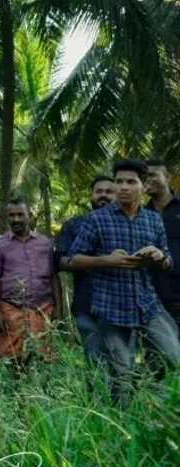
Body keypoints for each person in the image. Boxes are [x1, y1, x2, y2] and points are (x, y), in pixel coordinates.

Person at [67, 159, 179, 397]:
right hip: (110, 307)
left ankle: (144, 385)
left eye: (131, 182)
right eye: (119, 182)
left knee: (172, 356)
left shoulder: (152, 219)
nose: (124, 187)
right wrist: (106, 260)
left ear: (143, 185)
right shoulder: (96, 219)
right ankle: (123, 422)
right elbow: (73, 259)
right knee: (120, 373)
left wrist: (158, 256)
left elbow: (168, 261)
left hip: (146, 303)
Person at [0, 198, 62, 359]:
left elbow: (53, 277)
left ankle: (39, 385)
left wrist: (59, 309)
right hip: (11, 309)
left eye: (20, 214)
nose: (16, 219)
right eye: (11, 215)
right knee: (12, 357)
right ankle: (14, 385)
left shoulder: (45, 243)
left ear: (30, 216)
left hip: (43, 308)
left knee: (43, 357)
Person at [55, 175, 116, 363]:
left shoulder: (127, 223)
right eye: (99, 192)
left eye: (108, 192)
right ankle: (97, 394)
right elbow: (60, 260)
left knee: (121, 360)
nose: (103, 196)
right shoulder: (74, 225)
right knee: (94, 359)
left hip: (120, 304)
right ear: (90, 195)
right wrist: (88, 262)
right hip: (85, 302)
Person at [146, 159, 180, 326]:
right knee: (156, 348)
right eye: (144, 176)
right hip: (152, 293)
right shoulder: (141, 214)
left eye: (152, 175)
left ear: (167, 177)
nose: (147, 179)